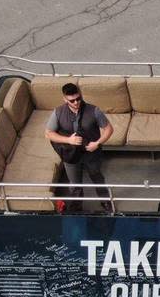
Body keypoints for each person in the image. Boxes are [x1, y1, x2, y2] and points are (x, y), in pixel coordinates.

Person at [43, 82, 114, 212]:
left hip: (91, 154)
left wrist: (97, 143)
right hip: (70, 155)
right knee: (74, 183)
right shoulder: (58, 113)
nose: (76, 102)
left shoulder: (94, 110)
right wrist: (68, 140)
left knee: (97, 177)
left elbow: (109, 129)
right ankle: (77, 206)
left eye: (78, 99)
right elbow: (48, 134)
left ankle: (105, 201)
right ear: (65, 99)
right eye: (72, 100)